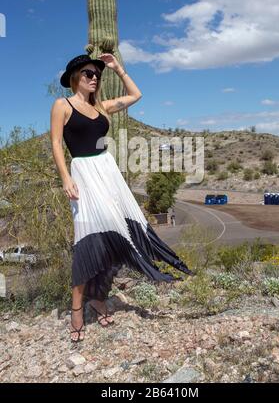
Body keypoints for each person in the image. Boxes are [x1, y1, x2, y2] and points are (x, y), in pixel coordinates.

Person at [50, 52, 194, 343]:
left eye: (97, 75)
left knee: (119, 233)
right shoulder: (62, 105)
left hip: (108, 172)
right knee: (88, 238)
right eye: (89, 74)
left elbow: (136, 94)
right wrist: (66, 178)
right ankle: (77, 307)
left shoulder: (102, 107)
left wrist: (118, 68)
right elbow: (55, 142)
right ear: (75, 78)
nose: (94, 78)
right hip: (83, 174)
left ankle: (98, 298)